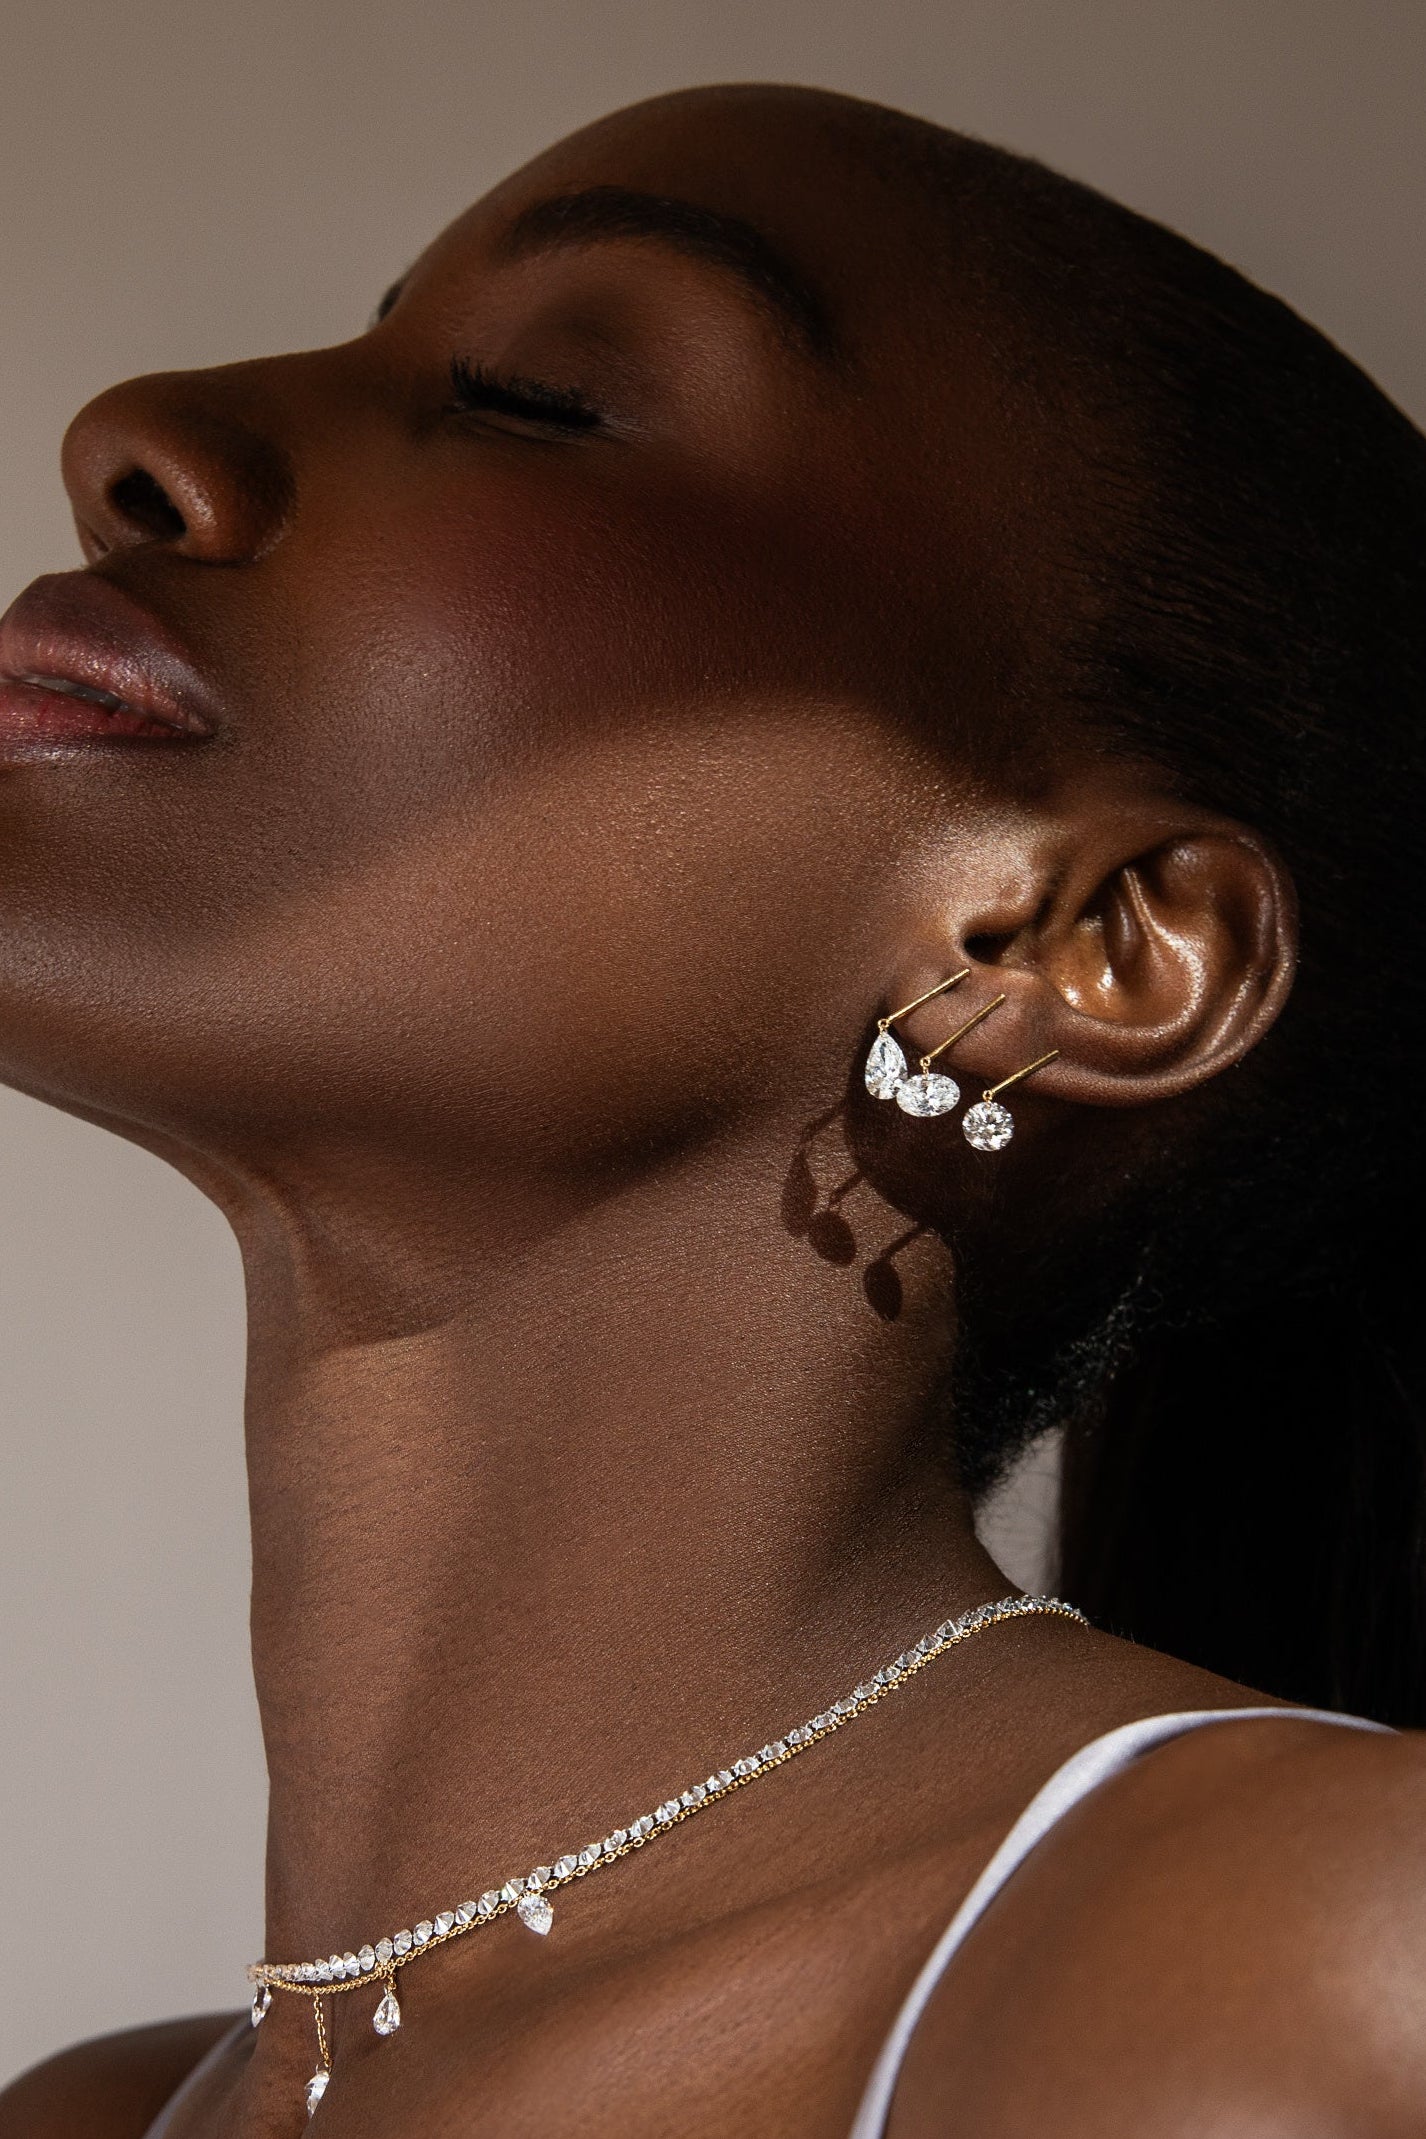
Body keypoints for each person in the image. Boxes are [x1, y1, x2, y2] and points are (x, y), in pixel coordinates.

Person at [1, 79, 1423, 2139]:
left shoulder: (1309, 1972)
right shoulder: (91, 2115)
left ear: (1085, 950)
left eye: (536, 398)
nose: (137, 435)